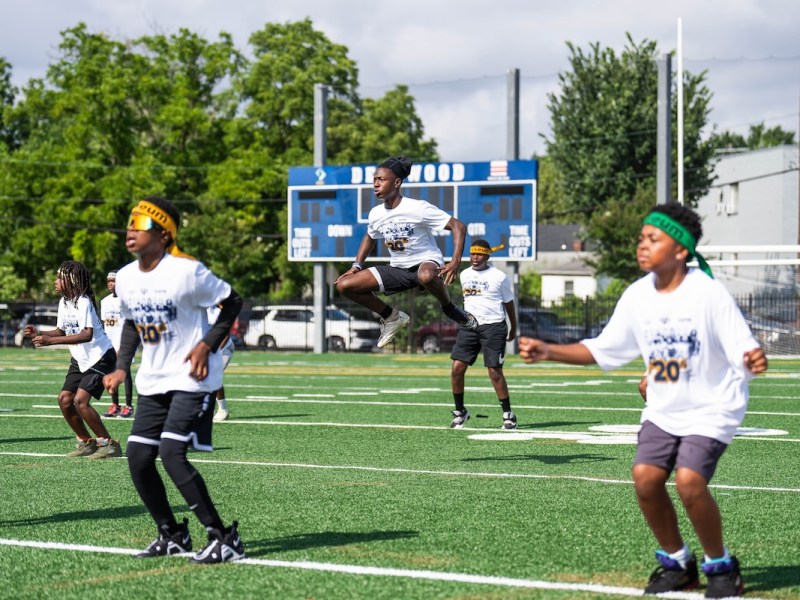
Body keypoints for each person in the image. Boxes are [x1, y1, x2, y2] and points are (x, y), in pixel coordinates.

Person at [518, 203, 767, 598]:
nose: (642, 246)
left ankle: (720, 566)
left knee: (688, 481)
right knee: (646, 479)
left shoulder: (708, 293)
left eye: (654, 239)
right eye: (641, 238)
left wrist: (752, 359)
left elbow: (744, 349)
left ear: (681, 250)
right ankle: (677, 562)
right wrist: (550, 350)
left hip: (713, 406)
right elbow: (606, 349)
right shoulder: (638, 295)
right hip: (664, 408)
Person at [103, 196, 245, 564]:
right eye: (130, 222)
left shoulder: (187, 271)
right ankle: (172, 534)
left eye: (141, 224)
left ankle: (223, 537)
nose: (131, 229)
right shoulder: (128, 277)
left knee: (171, 454)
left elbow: (232, 301)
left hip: (192, 377)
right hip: (153, 380)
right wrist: (121, 366)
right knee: (137, 456)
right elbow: (133, 323)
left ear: (164, 234)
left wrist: (206, 345)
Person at [335, 156, 477, 349]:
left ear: (397, 182)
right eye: (374, 179)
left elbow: (458, 226)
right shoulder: (376, 213)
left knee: (426, 276)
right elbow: (369, 236)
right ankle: (392, 317)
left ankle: (449, 307)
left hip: (425, 263)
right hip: (398, 269)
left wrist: (455, 261)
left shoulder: (417, 207)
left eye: (381, 179)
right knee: (344, 285)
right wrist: (356, 266)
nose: (376, 184)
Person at [24, 260, 122, 459]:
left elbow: (87, 334)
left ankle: (108, 443)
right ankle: (86, 442)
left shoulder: (83, 301)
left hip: (100, 357)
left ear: (70, 280)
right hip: (80, 358)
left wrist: (50, 341)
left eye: (60, 277)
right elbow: (62, 330)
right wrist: (40, 331)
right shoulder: (64, 302)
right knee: (65, 400)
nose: (56, 281)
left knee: (81, 401)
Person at [449, 239, 518, 430]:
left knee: (494, 371)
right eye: (472, 253)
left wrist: (514, 327)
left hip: (493, 326)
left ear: (487, 255)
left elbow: (509, 304)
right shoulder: (464, 274)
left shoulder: (499, 276)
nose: (475, 257)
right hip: (469, 326)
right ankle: (460, 412)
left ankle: (508, 414)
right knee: (456, 368)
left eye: (479, 254)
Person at [101, 270, 134, 418]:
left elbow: (130, 325)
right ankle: (115, 404)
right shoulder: (104, 301)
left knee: (125, 374)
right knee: (110, 373)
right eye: (108, 281)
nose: (110, 284)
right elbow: (105, 325)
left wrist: (123, 346)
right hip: (109, 345)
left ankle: (128, 406)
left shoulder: (127, 300)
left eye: (113, 281)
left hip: (124, 345)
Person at [207, 304, 234, 422]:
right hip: (208, 349)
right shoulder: (198, 312)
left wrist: (215, 350)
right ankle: (208, 411)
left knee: (213, 375)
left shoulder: (217, 312)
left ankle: (223, 410)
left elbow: (226, 335)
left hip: (224, 349)